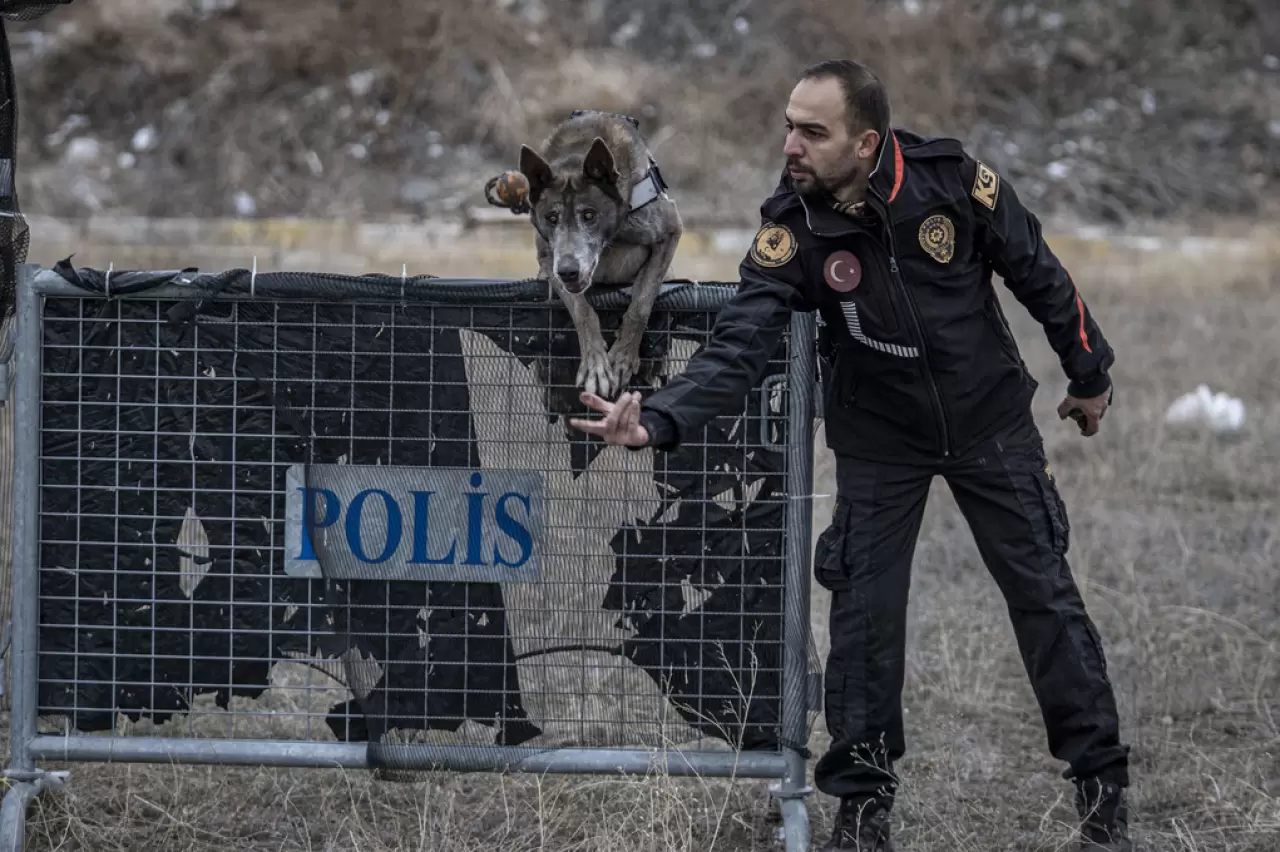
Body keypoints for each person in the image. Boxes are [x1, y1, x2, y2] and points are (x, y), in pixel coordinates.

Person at [568, 59, 1134, 852]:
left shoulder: (952, 181)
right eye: (788, 127)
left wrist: (1089, 371)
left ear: (866, 143)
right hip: (879, 440)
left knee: (1045, 599)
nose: (790, 145)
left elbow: (1038, 269)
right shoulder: (791, 228)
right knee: (866, 624)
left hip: (990, 425)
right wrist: (656, 419)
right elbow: (738, 346)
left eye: (813, 131)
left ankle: (1103, 799)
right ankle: (862, 815)